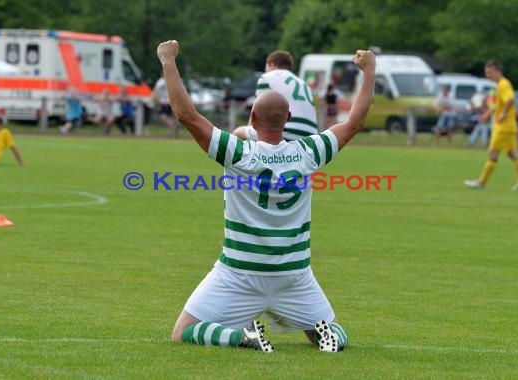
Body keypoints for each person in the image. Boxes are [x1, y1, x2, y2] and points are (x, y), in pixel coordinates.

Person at [157, 39, 375, 353]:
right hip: (293, 276)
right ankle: (330, 338)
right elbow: (354, 123)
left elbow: (187, 115)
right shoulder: (308, 152)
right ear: (288, 120)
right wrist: (369, 71)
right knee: (328, 332)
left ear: (252, 121)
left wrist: (168, 62)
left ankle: (241, 337)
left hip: (239, 273)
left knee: (183, 332)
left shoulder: (239, 153)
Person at [465, 59, 518, 191]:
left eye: (489, 72)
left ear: (497, 71)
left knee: (492, 153)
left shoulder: (503, 85)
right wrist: (487, 114)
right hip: (509, 126)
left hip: (503, 127)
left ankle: (481, 182)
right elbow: (498, 104)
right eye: (486, 73)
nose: (488, 76)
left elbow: (510, 99)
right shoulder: (500, 85)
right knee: (512, 153)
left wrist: (503, 114)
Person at [232, 50, 318, 141]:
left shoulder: (267, 77)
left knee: (237, 132)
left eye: (266, 67)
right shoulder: (304, 83)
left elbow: (257, 113)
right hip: (311, 135)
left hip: (288, 131)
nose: (266, 71)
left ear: (272, 65)